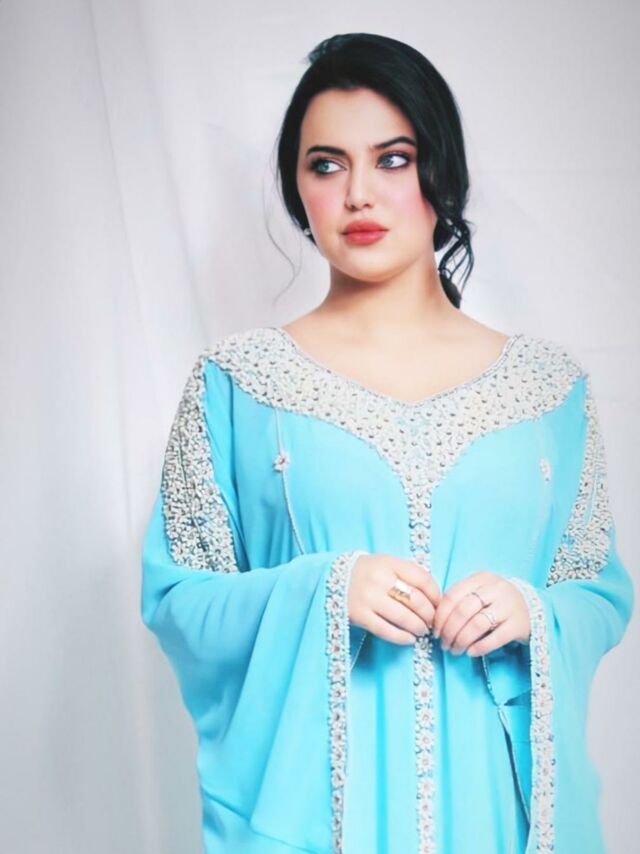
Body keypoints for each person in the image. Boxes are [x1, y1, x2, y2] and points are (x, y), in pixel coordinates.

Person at [140, 32, 634, 854]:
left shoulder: (550, 390)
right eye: (326, 165)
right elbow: (179, 601)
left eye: (393, 159)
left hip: (498, 814)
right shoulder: (237, 384)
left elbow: (599, 591)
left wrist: (532, 612)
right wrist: (323, 591)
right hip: (322, 820)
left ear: (442, 171)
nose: (358, 194)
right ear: (298, 190)